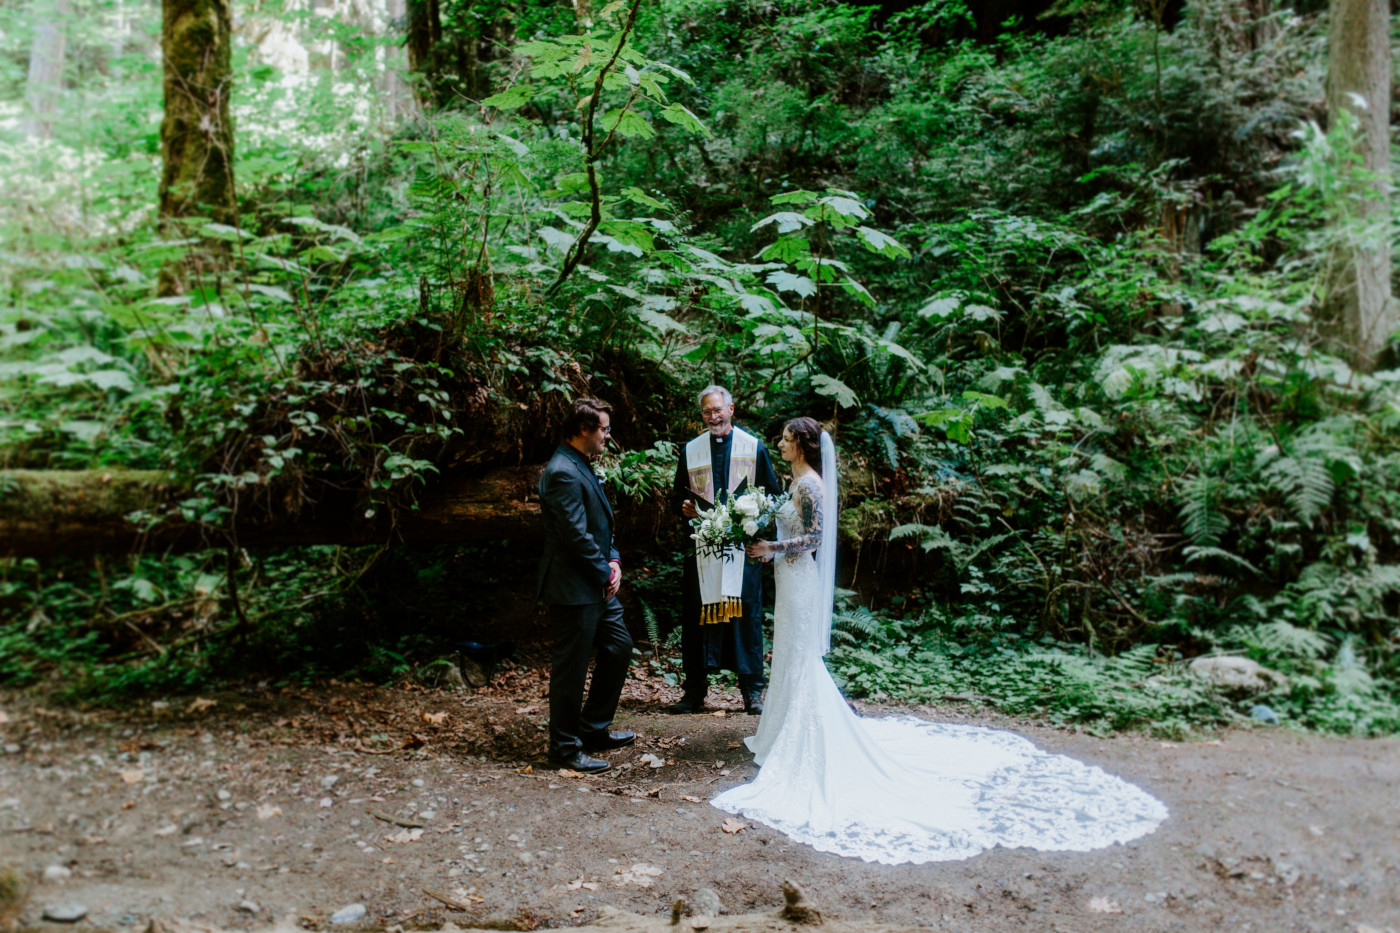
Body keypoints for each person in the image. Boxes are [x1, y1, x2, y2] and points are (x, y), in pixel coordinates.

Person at [711, 417, 1168, 864]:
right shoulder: (796, 484)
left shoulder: (811, 486)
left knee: (800, 658)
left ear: (804, 446)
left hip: (800, 579)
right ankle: (778, 734)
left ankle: (804, 738)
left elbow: (814, 538)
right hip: (788, 583)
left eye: (788, 439)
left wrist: (773, 548)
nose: (782, 444)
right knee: (788, 653)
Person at [536, 397, 636, 774]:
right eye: (604, 429)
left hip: (596, 581)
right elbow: (575, 536)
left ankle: (593, 729)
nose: (608, 436)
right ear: (583, 429)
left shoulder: (582, 464)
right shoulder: (561, 470)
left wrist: (613, 560)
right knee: (571, 668)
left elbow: (600, 526)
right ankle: (563, 748)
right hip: (573, 586)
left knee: (619, 645)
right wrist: (604, 574)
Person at [668, 386, 782, 715]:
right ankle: (694, 692)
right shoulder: (691, 451)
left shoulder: (753, 448)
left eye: (718, 410)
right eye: (707, 412)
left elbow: (772, 497)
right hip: (702, 547)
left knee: (745, 617)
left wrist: (753, 524)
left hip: (741, 550)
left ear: (731, 409)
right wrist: (684, 508)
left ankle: (752, 691)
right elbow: (678, 496)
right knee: (697, 618)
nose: (713, 417)